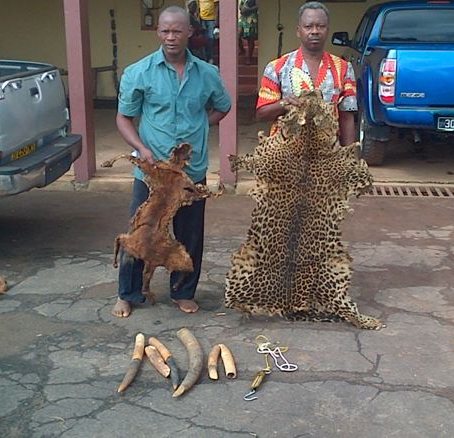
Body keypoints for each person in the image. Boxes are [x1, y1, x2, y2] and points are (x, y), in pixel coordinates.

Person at [112, 6, 231, 318]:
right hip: (152, 173)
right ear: (158, 33)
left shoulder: (207, 74)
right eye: (165, 31)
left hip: (191, 172)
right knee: (141, 232)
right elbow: (124, 118)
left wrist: (202, 125)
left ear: (190, 32)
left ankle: (183, 292)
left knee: (190, 234)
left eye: (177, 31)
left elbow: (223, 106)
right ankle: (128, 293)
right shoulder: (139, 72)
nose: (170, 37)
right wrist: (141, 148)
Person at [256, 2, 357, 146]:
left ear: (327, 30)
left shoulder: (344, 68)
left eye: (320, 26)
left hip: (327, 152)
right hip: (285, 152)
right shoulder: (276, 67)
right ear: (298, 31)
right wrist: (284, 104)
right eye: (308, 26)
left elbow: (346, 117)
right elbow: (261, 114)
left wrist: (349, 155)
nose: (315, 31)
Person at [238, 0, 258, 65]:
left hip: (251, 18)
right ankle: (242, 50)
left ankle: (249, 58)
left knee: (250, 38)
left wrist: (248, 9)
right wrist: (241, 8)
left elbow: (258, 6)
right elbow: (240, 5)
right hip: (243, 18)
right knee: (237, 35)